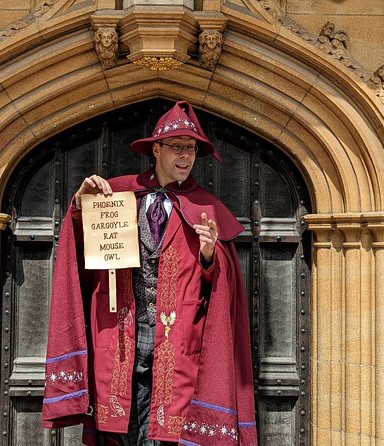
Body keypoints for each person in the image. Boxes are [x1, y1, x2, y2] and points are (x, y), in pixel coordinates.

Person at [42, 101, 258, 446]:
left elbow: (217, 291)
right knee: (122, 425)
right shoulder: (116, 193)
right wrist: (81, 207)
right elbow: (83, 254)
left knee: (165, 431)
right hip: (121, 330)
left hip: (177, 337)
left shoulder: (207, 209)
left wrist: (207, 256)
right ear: (156, 150)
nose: (186, 157)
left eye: (191, 149)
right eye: (178, 148)